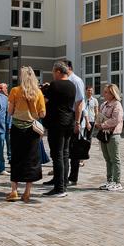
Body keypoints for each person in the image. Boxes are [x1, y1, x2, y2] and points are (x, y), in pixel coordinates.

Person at [6, 67, 46, 202]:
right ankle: (27, 192)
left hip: (17, 128)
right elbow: (42, 114)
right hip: (32, 130)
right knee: (31, 160)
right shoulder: (38, 92)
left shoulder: (15, 91)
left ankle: (14, 191)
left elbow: (10, 111)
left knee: (16, 158)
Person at [43, 61, 77, 197]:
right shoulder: (72, 85)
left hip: (57, 123)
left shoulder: (55, 85)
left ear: (58, 71)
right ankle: (64, 185)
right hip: (69, 122)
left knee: (57, 155)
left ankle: (59, 188)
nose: (53, 75)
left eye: (53, 72)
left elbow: (45, 101)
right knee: (65, 154)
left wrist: (44, 90)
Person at [94, 83, 124, 191]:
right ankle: (109, 181)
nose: (104, 94)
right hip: (104, 134)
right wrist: (97, 123)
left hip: (113, 135)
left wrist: (102, 125)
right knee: (107, 159)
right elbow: (100, 116)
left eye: (106, 92)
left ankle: (117, 182)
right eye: (104, 92)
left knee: (115, 159)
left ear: (112, 94)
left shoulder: (117, 105)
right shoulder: (103, 104)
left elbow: (116, 120)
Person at [62, 60, 86, 186]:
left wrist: (77, 121)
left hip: (74, 116)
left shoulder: (76, 81)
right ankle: (60, 177)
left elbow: (79, 102)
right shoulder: (65, 81)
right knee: (63, 148)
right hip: (66, 116)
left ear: (69, 68)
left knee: (73, 148)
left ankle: (72, 177)